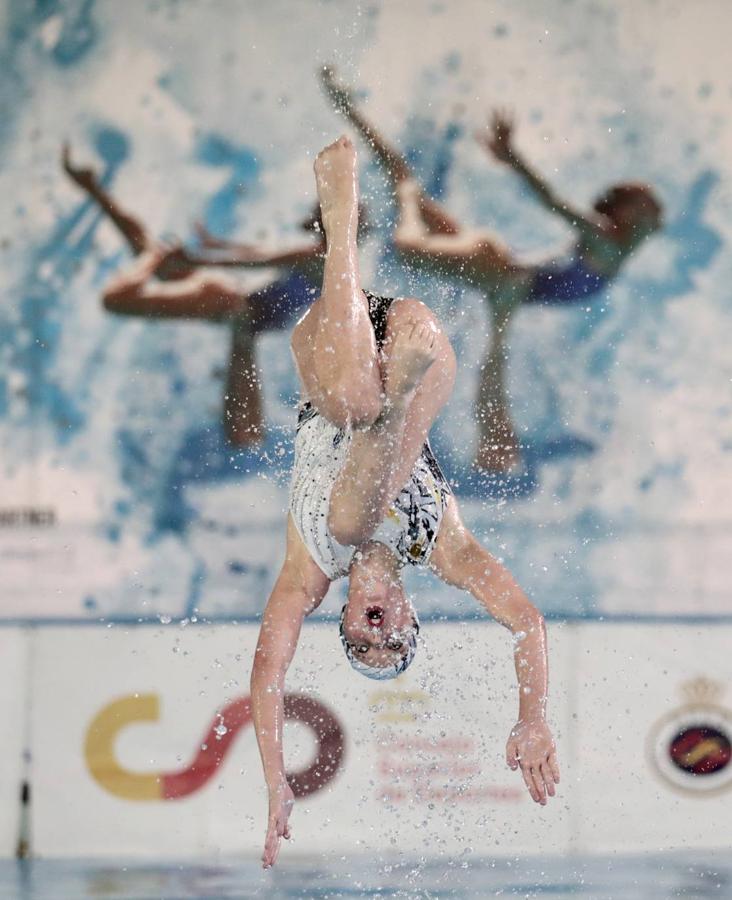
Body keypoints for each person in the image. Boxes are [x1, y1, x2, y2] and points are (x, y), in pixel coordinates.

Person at [250, 136, 559, 869]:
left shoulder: (308, 571)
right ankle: (393, 397)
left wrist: (277, 789)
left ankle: (342, 233)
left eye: (362, 643)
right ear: (411, 614)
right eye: (394, 641)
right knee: (376, 433)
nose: (377, 634)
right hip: (419, 347)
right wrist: (533, 717)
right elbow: (526, 621)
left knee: (349, 498)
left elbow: (268, 675)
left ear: (349, 620)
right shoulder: (443, 546)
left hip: (337, 347)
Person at [320, 68, 664, 472]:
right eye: (643, 205)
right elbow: (554, 202)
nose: (654, 210)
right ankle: (495, 452)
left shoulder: (616, 247)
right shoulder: (604, 239)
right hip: (499, 269)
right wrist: (514, 159)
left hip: (505, 279)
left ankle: (349, 110)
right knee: (407, 240)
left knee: (409, 190)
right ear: (620, 211)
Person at [62, 144, 327, 446]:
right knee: (119, 295)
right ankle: (99, 195)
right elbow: (252, 256)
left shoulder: (319, 255)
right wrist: (206, 249)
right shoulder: (325, 259)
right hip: (232, 305)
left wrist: (197, 257)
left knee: (148, 257)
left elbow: (253, 259)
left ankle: (96, 192)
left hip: (236, 308)